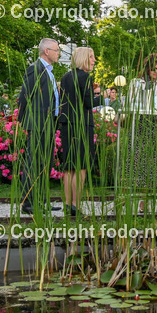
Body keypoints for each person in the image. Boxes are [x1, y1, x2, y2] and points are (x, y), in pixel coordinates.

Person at [17, 38, 61, 214]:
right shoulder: (35, 68)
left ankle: (41, 200)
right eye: (57, 50)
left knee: (45, 163)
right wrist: (22, 120)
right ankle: (28, 202)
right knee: (34, 162)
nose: (59, 54)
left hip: (48, 123)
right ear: (47, 52)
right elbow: (24, 94)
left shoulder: (49, 71)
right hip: (37, 123)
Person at [124, 53, 157, 212]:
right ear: (147, 68)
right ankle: (129, 199)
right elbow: (130, 102)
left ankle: (146, 202)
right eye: (154, 69)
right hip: (139, 125)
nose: (156, 73)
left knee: (153, 164)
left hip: (155, 126)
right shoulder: (136, 83)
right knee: (136, 163)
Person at [58, 46, 97, 218]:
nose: (94, 60)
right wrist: (100, 96)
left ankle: (67, 204)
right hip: (82, 125)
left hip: (67, 124)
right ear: (83, 58)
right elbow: (88, 103)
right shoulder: (85, 77)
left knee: (69, 167)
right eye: (91, 57)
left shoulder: (66, 77)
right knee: (81, 166)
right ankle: (76, 204)